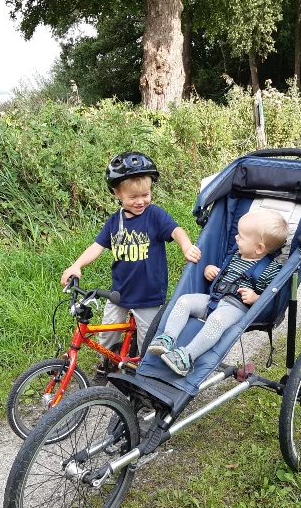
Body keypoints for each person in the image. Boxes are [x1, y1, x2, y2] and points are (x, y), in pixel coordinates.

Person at [60, 151, 201, 383]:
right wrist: (76, 265)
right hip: (119, 292)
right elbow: (97, 246)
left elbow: (176, 231)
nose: (140, 201)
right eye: (133, 197)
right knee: (106, 333)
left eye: (145, 194)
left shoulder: (154, 215)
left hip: (148, 295)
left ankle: (145, 376)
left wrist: (186, 246)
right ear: (117, 194)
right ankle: (110, 364)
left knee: (149, 343)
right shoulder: (115, 221)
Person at [147, 208, 289, 376]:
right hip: (212, 299)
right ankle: (168, 338)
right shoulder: (235, 255)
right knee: (184, 300)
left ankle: (187, 356)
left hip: (235, 308)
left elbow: (274, 296)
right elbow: (223, 272)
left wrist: (256, 297)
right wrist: (211, 270)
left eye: (241, 237)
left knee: (216, 320)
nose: (236, 238)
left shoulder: (270, 269)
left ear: (259, 248)